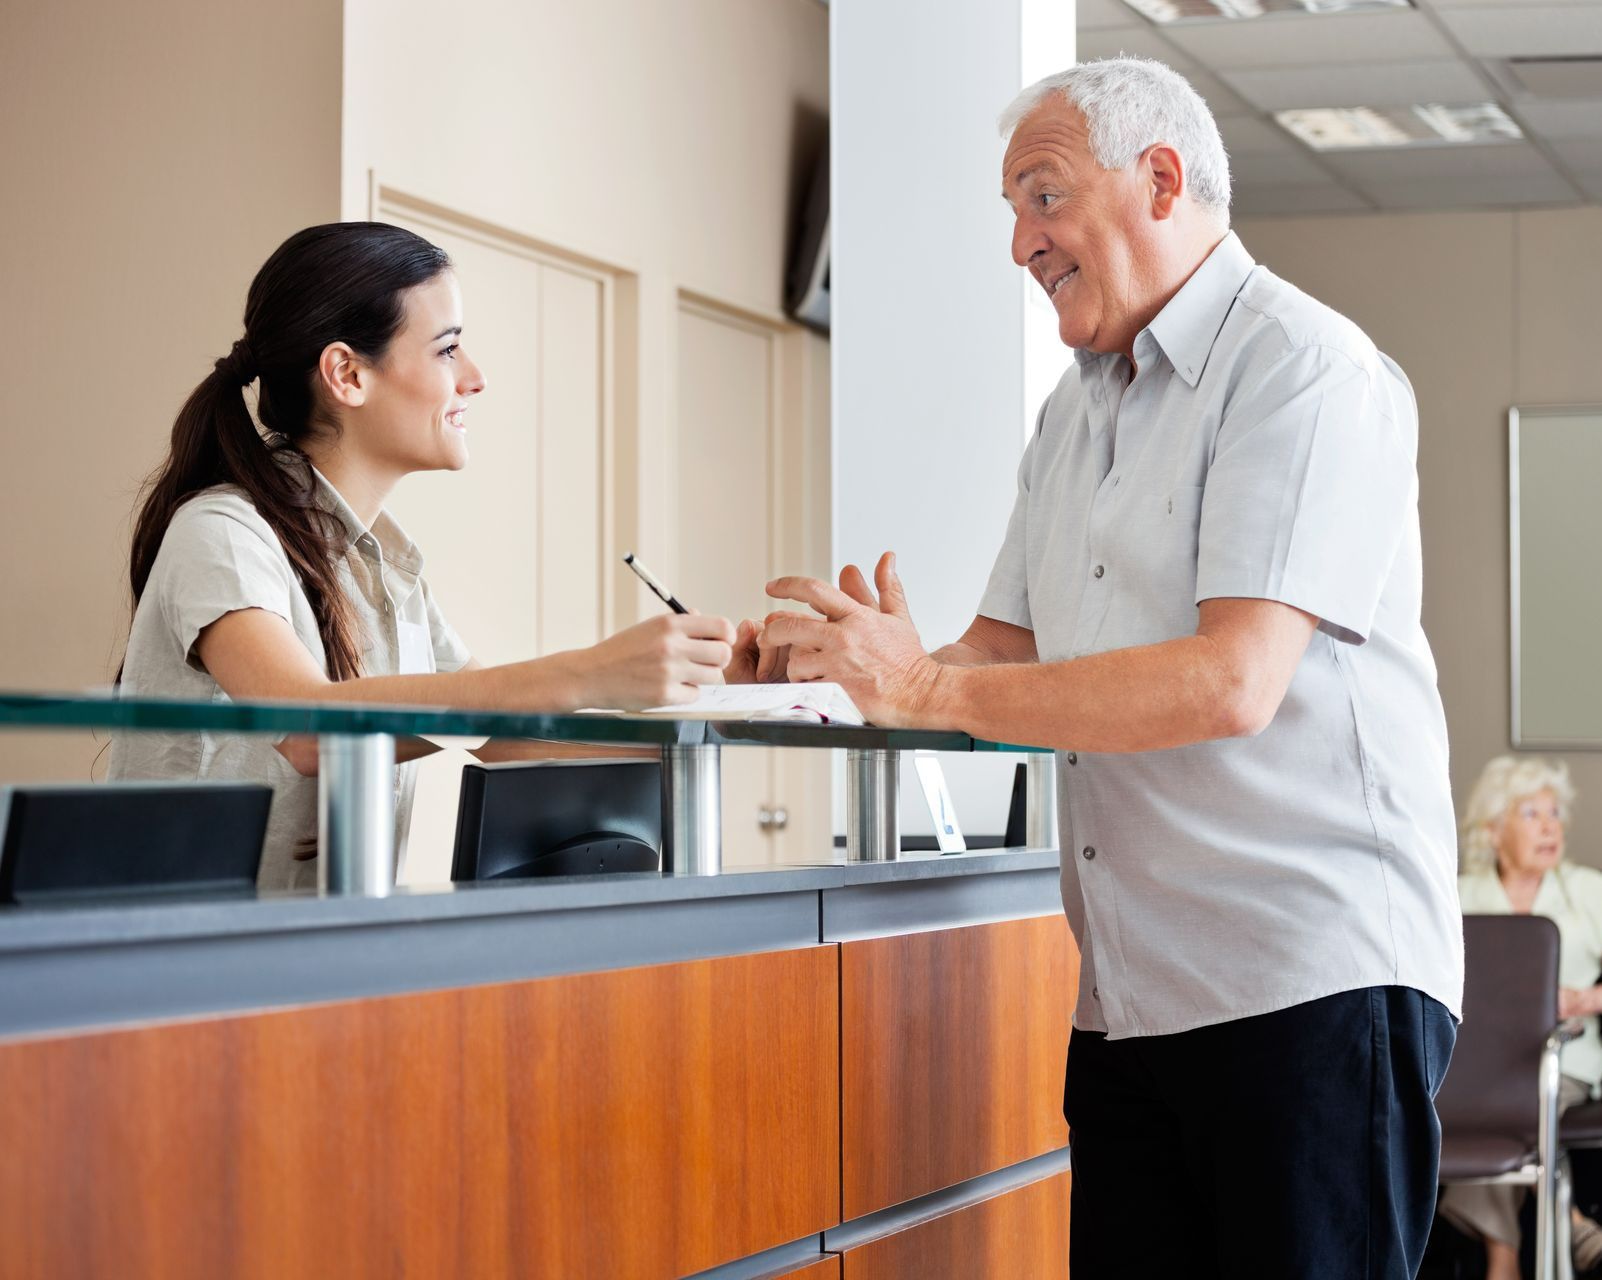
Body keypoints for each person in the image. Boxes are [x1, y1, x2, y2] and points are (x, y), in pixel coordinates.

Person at [760, 58, 1463, 1278]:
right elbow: (995, 660)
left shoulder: (1304, 372)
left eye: (1041, 198)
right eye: (1011, 210)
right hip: (1133, 1001)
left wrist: (927, 686)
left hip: (1309, 986)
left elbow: (1231, 681)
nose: (1019, 243)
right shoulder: (1073, 412)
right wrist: (842, 666)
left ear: (1162, 179)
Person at [111, 222, 751, 889]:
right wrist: (588, 672)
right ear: (347, 374)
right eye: (448, 350)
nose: (475, 378)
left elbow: (503, 737)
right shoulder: (220, 531)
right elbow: (307, 731)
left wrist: (729, 701)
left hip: (315, 957)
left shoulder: (391, 571)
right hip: (183, 967)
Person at [1443, 756, 1602, 1280]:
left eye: (1555, 813)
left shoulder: (1585, 890)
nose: (1550, 825)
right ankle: (1574, 1222)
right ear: (1493, 829)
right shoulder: (1459, 896)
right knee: (1491, 1101)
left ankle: (1502, 1259)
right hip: (1474, 1069)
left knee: (1511, 1105)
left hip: (1565, 1062)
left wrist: (1584, 1000)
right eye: (1531, 812)